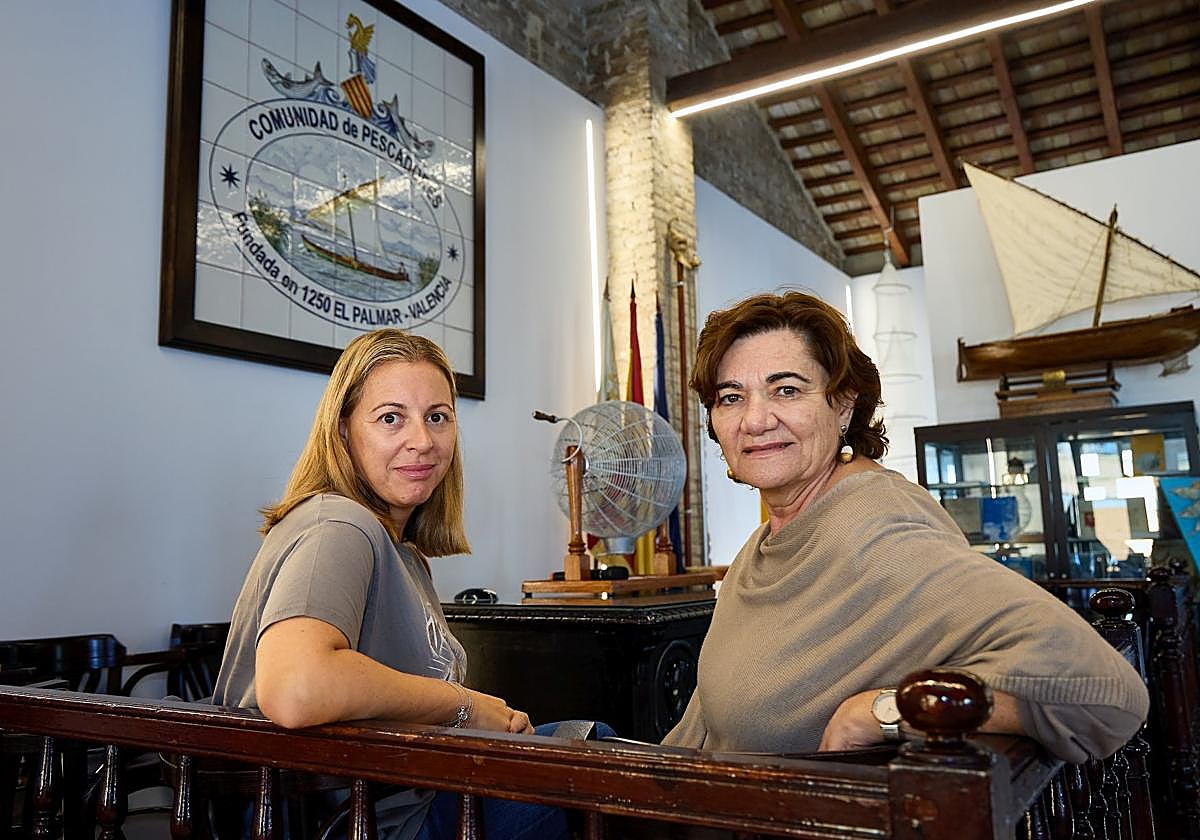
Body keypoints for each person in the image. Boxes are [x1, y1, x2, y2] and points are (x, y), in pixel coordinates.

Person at [662, 291, 1149, 763]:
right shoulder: (764, 545)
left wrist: (885, 712)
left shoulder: (875, 533)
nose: (755, 419)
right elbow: (711, 721)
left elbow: (1108, 694)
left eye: (786, 390)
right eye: (730, 397)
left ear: (843, 405)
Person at [214, 329, 567, 840]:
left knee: (583, 747)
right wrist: (466, 706)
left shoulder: (403, 553)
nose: (422, 441)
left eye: (437, 417)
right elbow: (296, 688)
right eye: (390, 418)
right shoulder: (337, 525)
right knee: (595, 764)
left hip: (409, 797)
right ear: (343, 432)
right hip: (355, 820)